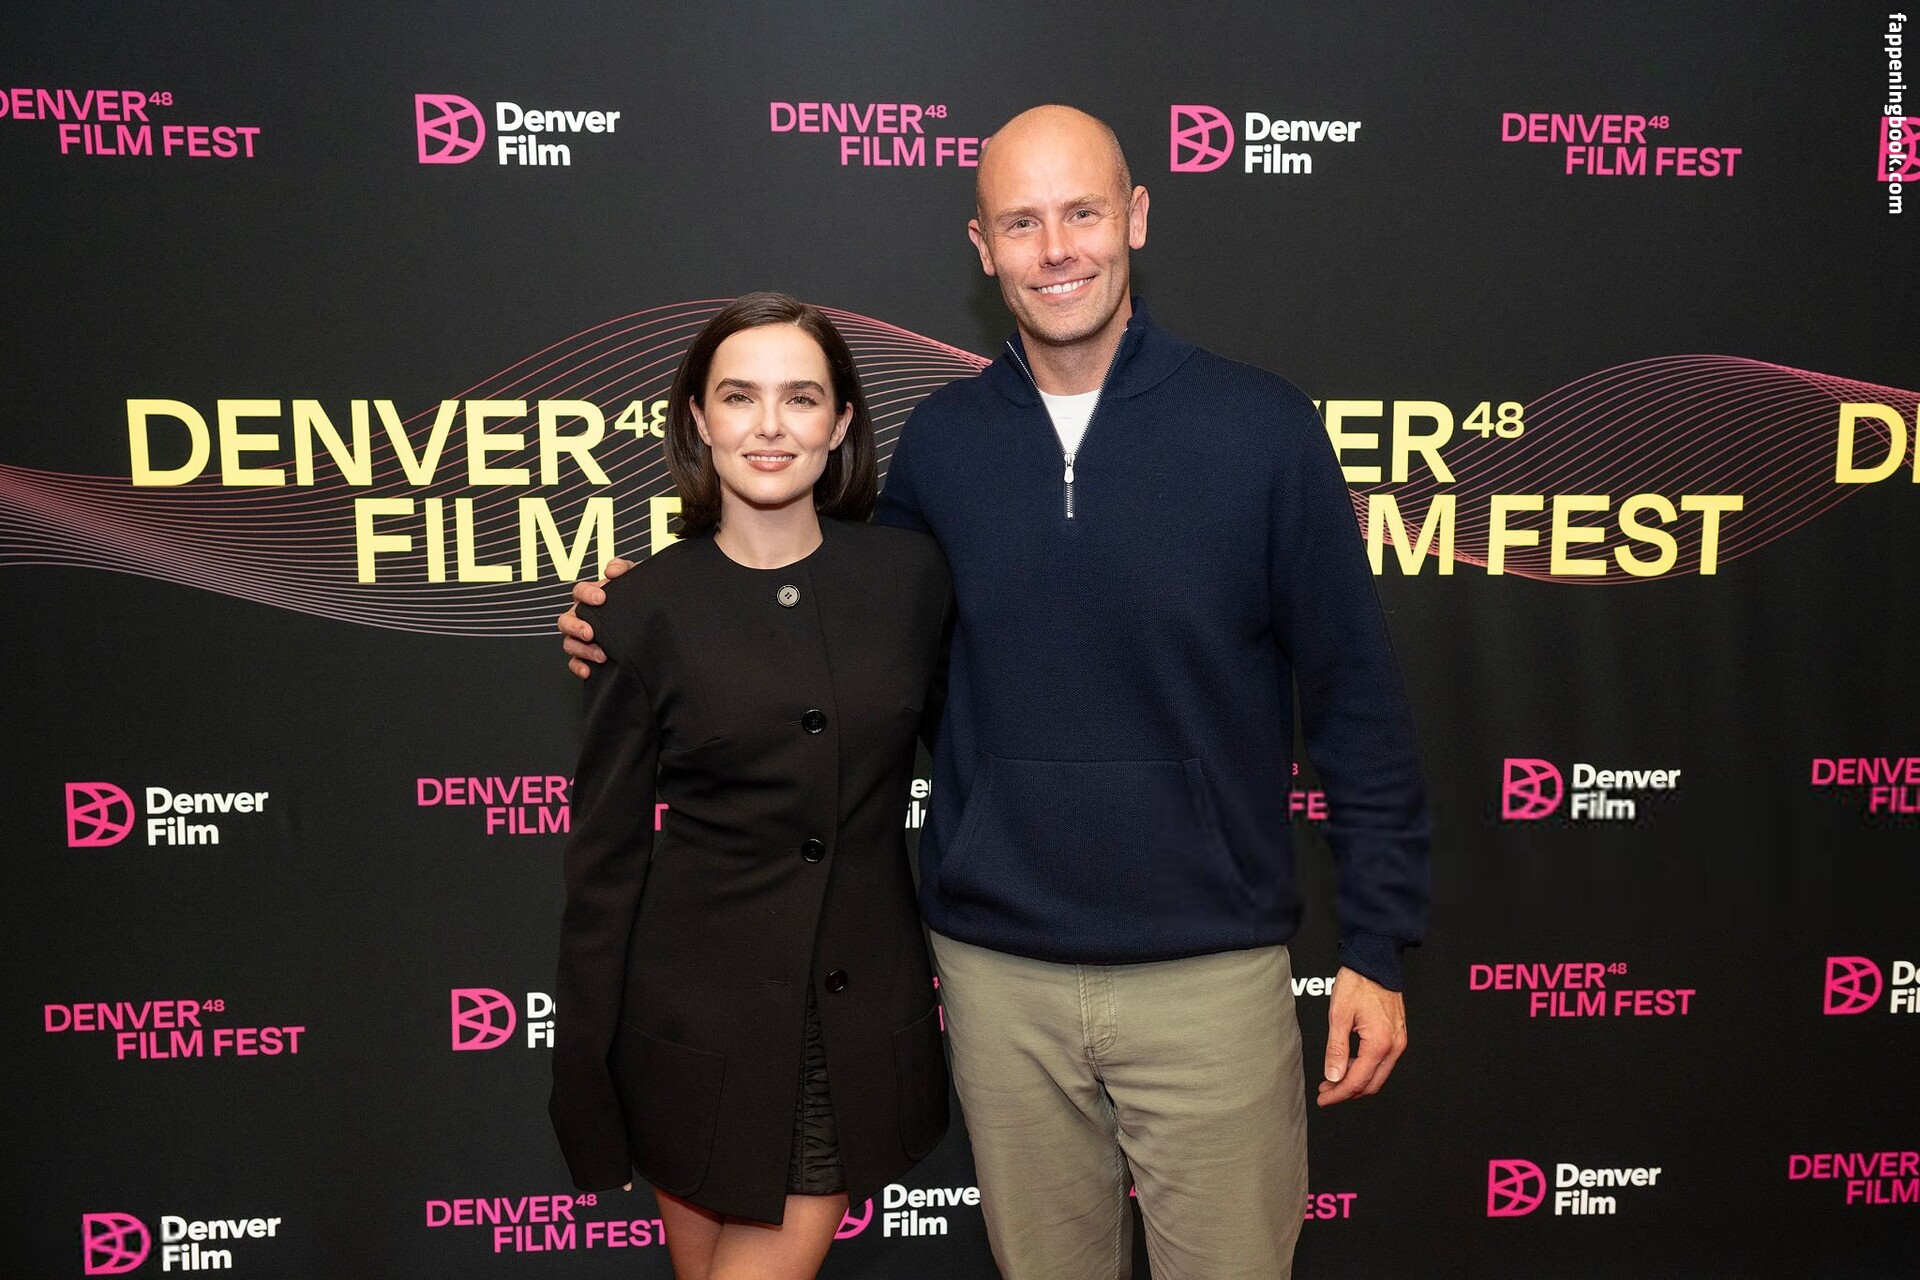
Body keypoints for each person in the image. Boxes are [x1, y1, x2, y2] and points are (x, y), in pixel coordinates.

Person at [563, 107, 1429, 1280]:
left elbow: (1356, 702)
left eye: (1082, 212)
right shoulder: (942, 445)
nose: (1056, 248)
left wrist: (1376, 942)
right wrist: (645, 612)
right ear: (981, 246)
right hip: (996, 977)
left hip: (1209, 973)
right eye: (1021, 222)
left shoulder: (1262, 428)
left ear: (1136, 217)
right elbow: (830, 619)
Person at [550, 291, 953, 1280]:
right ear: (697, 418)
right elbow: (603, 862)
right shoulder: (639, 609)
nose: (770, 425)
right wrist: (585, 1076)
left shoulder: (912, 578)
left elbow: (985, 749)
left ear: (841, 423)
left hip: (848, 1025)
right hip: (687, 1029)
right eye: (739, 396)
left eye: (801, 398)